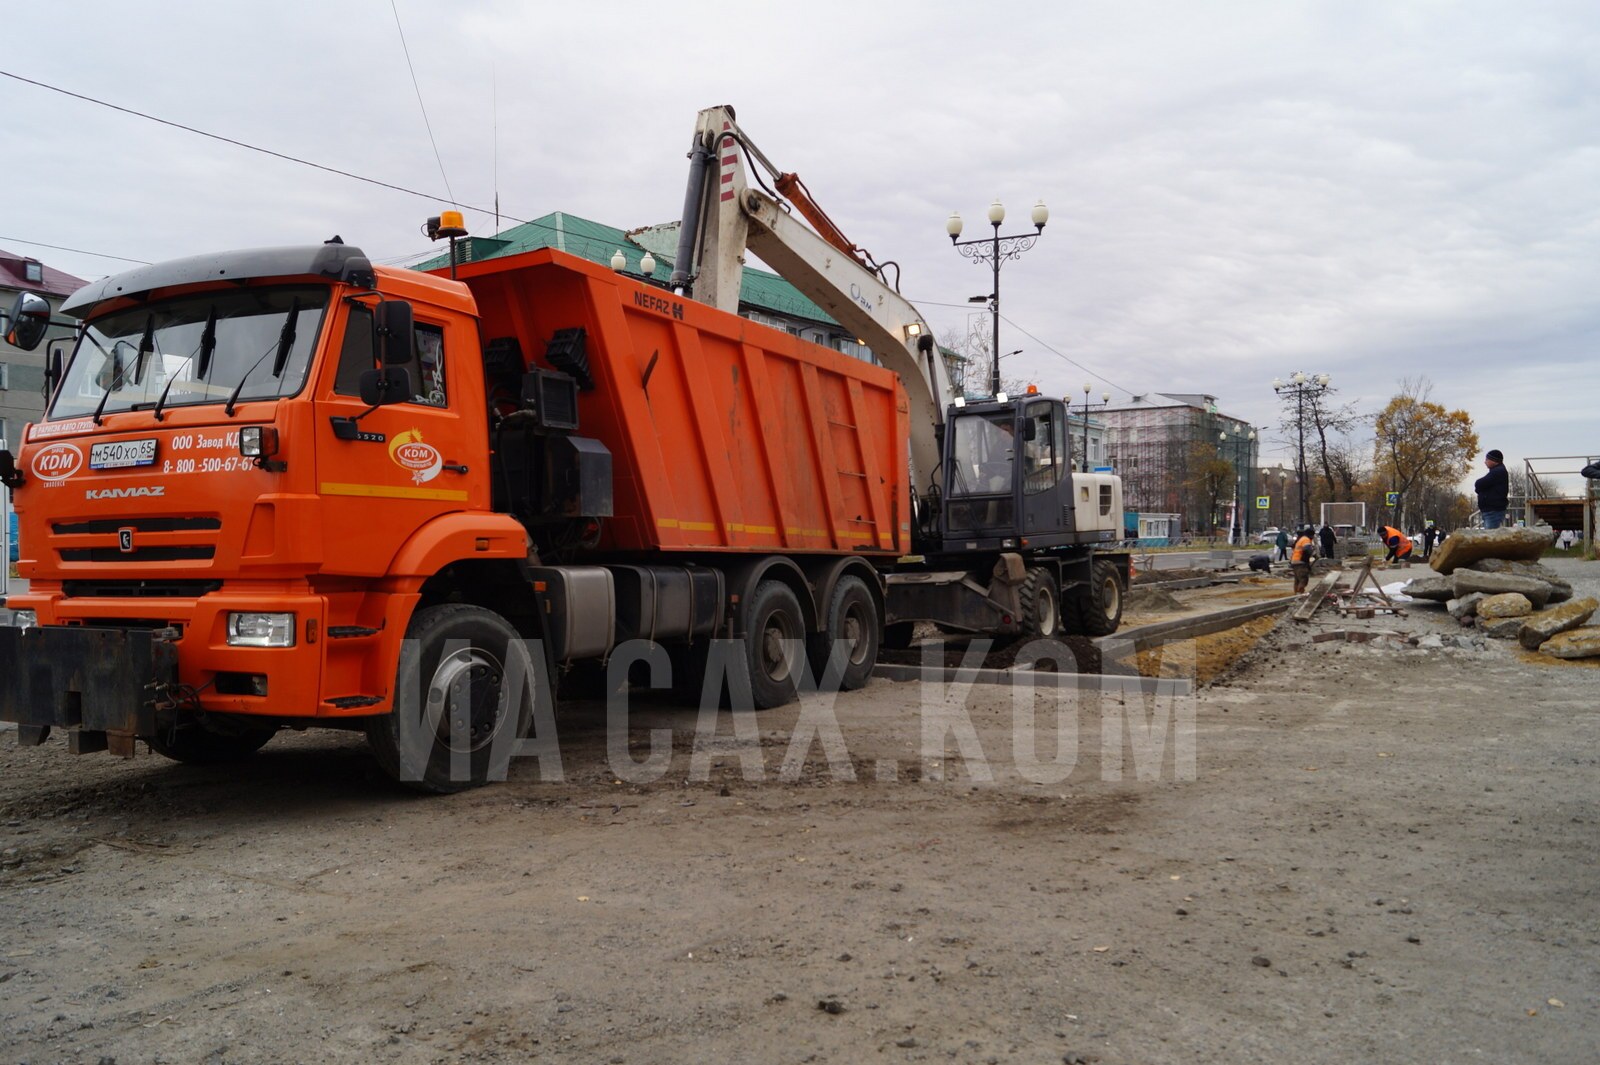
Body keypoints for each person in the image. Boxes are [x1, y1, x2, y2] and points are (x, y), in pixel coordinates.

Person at [1475, 449, 1510, 529]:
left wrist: (1480, 489)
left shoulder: (1498, 472)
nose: (1485, 462)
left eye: (1487, 459)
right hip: (1491, 510)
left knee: (1490, 537)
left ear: (1494, 460)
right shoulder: (1497, 471)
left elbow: (1480, 483)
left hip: (1493, 511)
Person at [1290, 525, 1316, 594]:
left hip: (1294, 561)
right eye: (1313, 536)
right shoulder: (1306, 539)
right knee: (1303, 579)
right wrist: (1313, 555)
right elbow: (1307, 549)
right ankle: (1300, 594)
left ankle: (1295, 594)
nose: (1313, 537)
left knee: (1297, 580)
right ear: (1311, 535)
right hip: (1300, 562)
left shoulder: (1301, 539)